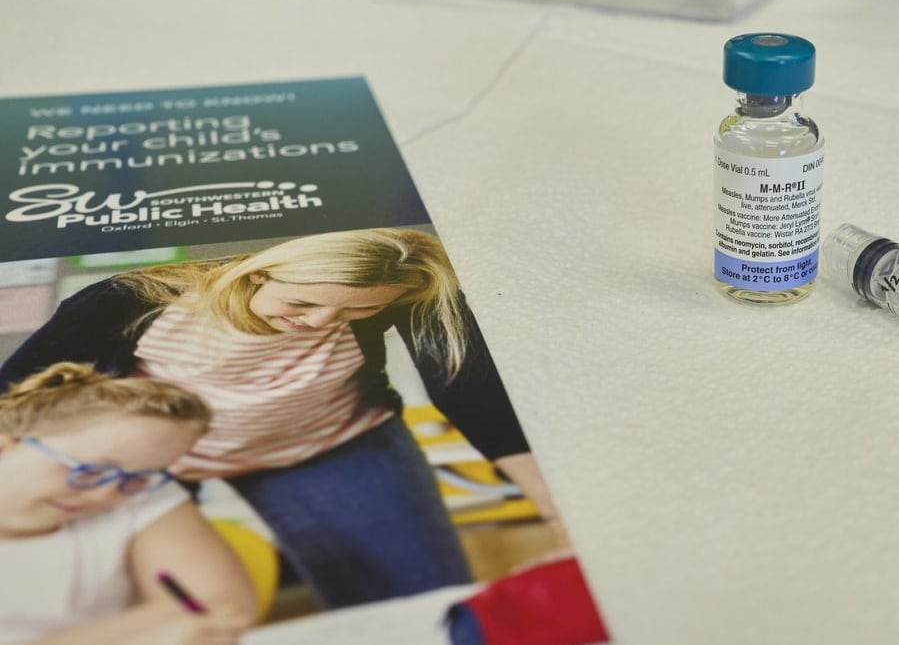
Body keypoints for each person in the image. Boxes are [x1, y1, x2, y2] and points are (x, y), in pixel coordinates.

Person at [0, 228, 566, 610]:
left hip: (332, 442)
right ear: (253, 275)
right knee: (133, 609)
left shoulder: (402, 289)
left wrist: (551, 503)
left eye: (356, 310)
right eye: (300, 304)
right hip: (160, 465)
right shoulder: (126, 299)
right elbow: (13, 393)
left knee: (413, 598)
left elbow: (468, 388)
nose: (323, 322)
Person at [0, 362, 256, 645]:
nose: (105, 495)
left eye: (140, 478)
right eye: (88, 471)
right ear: (5, 445)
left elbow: (220, 608)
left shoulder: (138, 491)